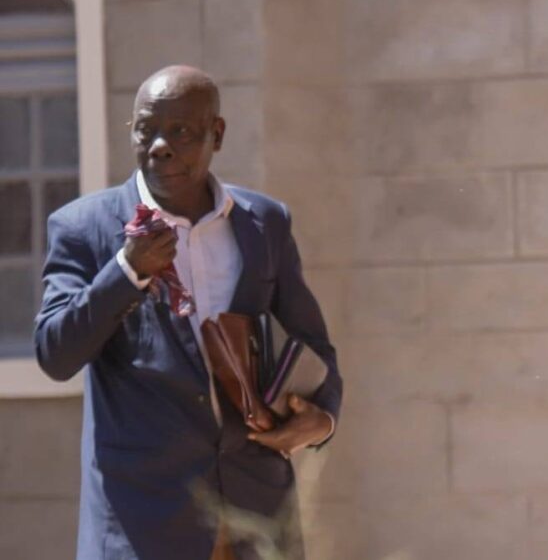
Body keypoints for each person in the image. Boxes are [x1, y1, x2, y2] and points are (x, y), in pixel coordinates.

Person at [34, 65, 342, 560]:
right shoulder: (83, 228)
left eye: (180, 131)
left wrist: (322, 420)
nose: (160, 146)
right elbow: (55, 354)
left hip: (256, 516)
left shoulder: (264, 224)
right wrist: (125, 271)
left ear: (216, 134)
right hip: (144, 523)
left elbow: (314, 344)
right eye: (146, 130)